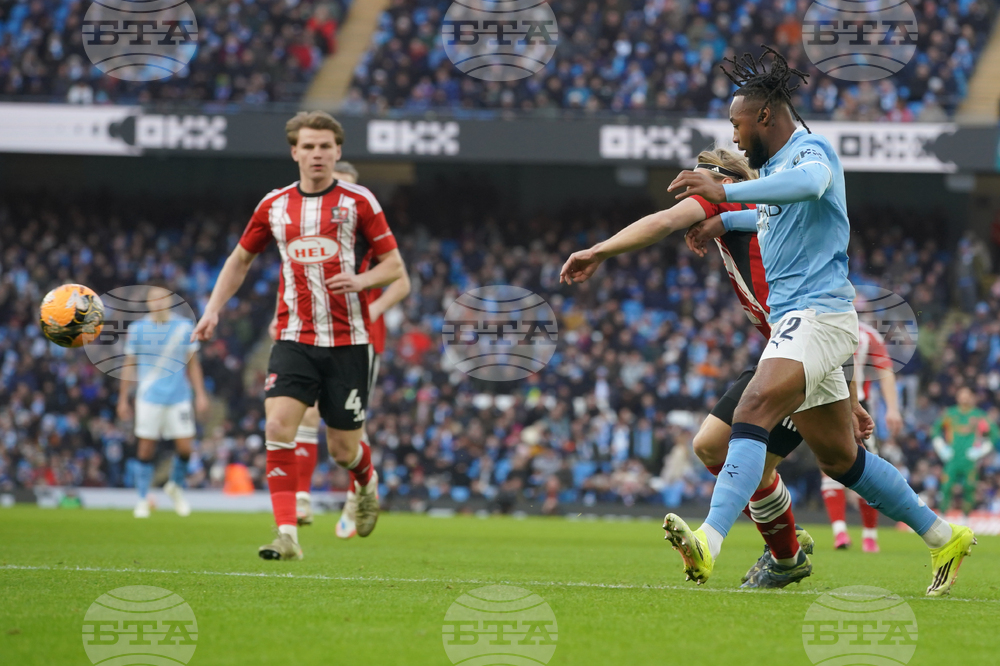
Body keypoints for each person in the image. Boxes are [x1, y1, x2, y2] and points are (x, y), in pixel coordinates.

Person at [671, 45, 974, 596]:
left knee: (754, 407)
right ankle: (944, 536)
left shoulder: (812, 151)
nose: (735, 137)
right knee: (840, 458)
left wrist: (725, 190)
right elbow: (769, 209)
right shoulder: (773, 172)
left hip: (817, 316)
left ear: (765, 115)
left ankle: (709, 541)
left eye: (738, 124)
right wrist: (726, 220)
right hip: (807, 322)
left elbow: (808, 187)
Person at [560, 146, 815, 589]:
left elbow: (661, 223)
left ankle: (755, 548)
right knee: (719, 448)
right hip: (790, 348)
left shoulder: (725, 196)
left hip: (805, 352)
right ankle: (787, 552)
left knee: (838, 464)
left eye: (692, 188)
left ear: (719, 179)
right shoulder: (754, 210)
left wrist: (598, 251)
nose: (686, 204)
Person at [192, 111, 405, 560]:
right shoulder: (274, 205)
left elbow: (394, 268)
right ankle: (286, 534)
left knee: (343, 448)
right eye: (308, 146)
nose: (317, 154)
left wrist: (362, 282)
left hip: (349, 341)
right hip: (294, 337)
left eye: (325, 146)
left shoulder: (359, 202)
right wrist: (212, 309)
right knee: (277, 426)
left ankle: (366, 480)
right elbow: (239, 260)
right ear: (294, 152)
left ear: (338, 151)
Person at [267, 160, 412, 537]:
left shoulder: (363, 218)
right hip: (308, 334)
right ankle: (299, 497)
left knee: (347, 431)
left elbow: (401, 279)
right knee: (306, 416)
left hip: (359, 339)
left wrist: (373, 307)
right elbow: (292, 279)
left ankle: (357, 494)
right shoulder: (306, 225)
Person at [117, 284, 209, 518]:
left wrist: (200, 394)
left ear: (170, 300)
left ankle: (175, 486)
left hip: (179, 396)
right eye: (153, 298)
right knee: (146, 448)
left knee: (186, 448)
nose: (157, 302)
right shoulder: (137, 330)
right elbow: (129, 365)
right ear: (147, 302)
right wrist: (123, 399)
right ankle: (141, 499)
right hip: (149, 396)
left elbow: (193, 363)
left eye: (161, 298)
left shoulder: (184, 327)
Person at [821, 317, 903, 553]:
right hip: (824, 404)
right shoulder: (820, 325)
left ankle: (868, 535)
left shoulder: (867, 335)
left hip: (858, 406)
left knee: (866, 468)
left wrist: (893, 408)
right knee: (828, 466)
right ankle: (841, 533)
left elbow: (885, 371)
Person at [932, 386, 998, 514]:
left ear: (972, 398)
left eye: (967, 395)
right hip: (953, 458)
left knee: (969, 487)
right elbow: (935, 430)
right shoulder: (950, 414)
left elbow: (994, 433)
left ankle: (966, 518)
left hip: (969, 460)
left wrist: (981, 450)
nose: (965, 398)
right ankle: (942, 516)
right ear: (957, 397)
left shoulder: (978, 415)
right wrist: (941, 448)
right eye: (962, 395)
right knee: (946, 487)